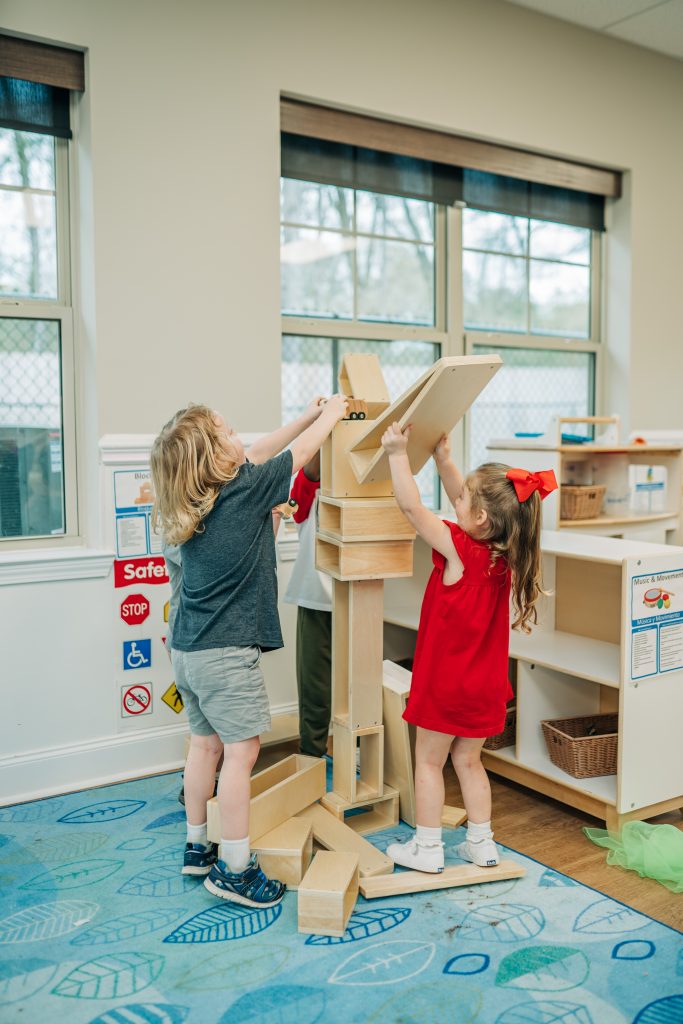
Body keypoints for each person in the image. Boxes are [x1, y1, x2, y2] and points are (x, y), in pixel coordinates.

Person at [150, 395, 348, 908]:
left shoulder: (191, 504)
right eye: (228, 432)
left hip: (188, 650)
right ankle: (235, 868)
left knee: (204, 747)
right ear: (217, 459)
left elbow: (260, 451)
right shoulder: (246, 489)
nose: (240, 437)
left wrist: (307, 412)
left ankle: (197, 844)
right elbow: (297, 454)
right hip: (224, 654)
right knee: (242, 756)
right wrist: (331, 415)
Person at [380, 423, 556, 873]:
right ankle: (481, 843)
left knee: (428, 761)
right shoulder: (506, 555)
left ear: (479, 519)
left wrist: (398, 453)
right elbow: (473, 506)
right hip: (485, 687)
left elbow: (411, 507)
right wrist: (444, 461)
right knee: (470, 761)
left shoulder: (459, 548)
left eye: (463, 500)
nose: (457, 501)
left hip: (445, 685)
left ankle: (428, 847)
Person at [283, 450, 332, 759]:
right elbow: (309, 475)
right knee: (315, 682)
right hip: (317, 595)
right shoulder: (308, 485)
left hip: (359, 595)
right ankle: (311, 752)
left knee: (358, 681)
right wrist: (325, 433)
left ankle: (350, 746)